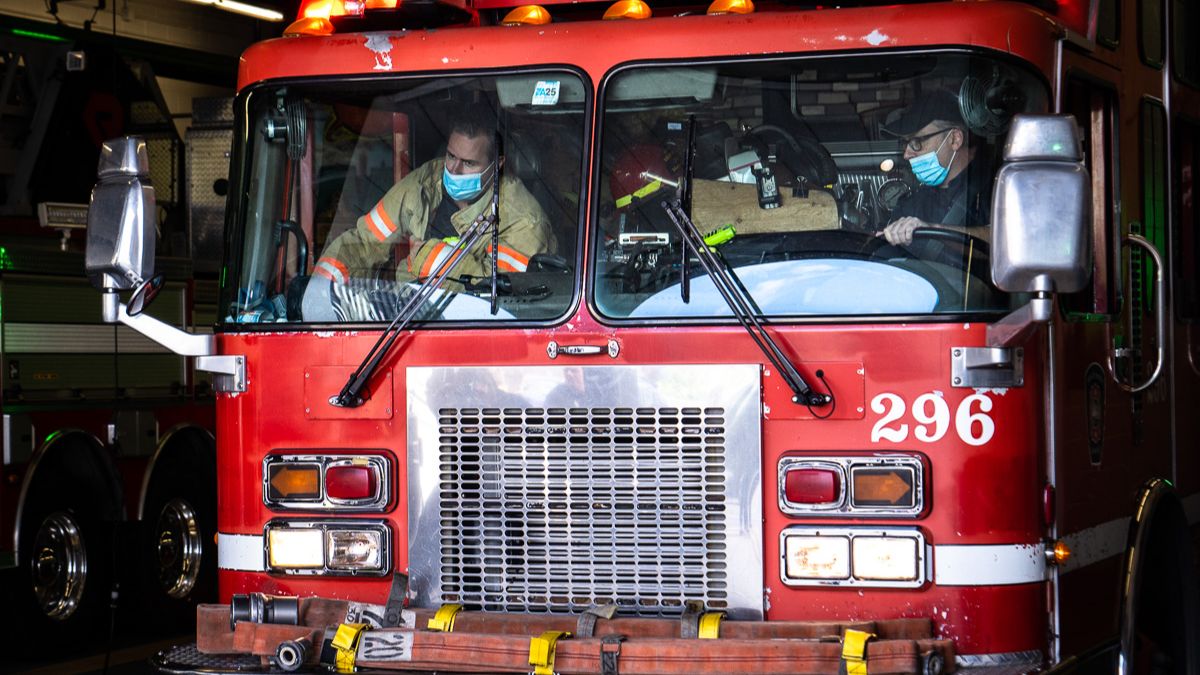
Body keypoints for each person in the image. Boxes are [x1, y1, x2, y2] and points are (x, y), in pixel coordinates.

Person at [313, 104, 556, 289]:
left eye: (469, 163)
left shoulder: (524, 221)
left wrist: (428, 257)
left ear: (497, 164)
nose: (453, 170)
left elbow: (502, 295)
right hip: (405, 320)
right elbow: (363, 242)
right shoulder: (426, 181)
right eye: (451, 156)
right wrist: (320, 290)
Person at [879, 89, 992, 246]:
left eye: (917, 142)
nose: (906, 154)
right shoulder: (912, 205)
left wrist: (934, 230)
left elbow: (1008, 241)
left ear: (955, 139)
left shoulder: (996, 189)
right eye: (905, 143)